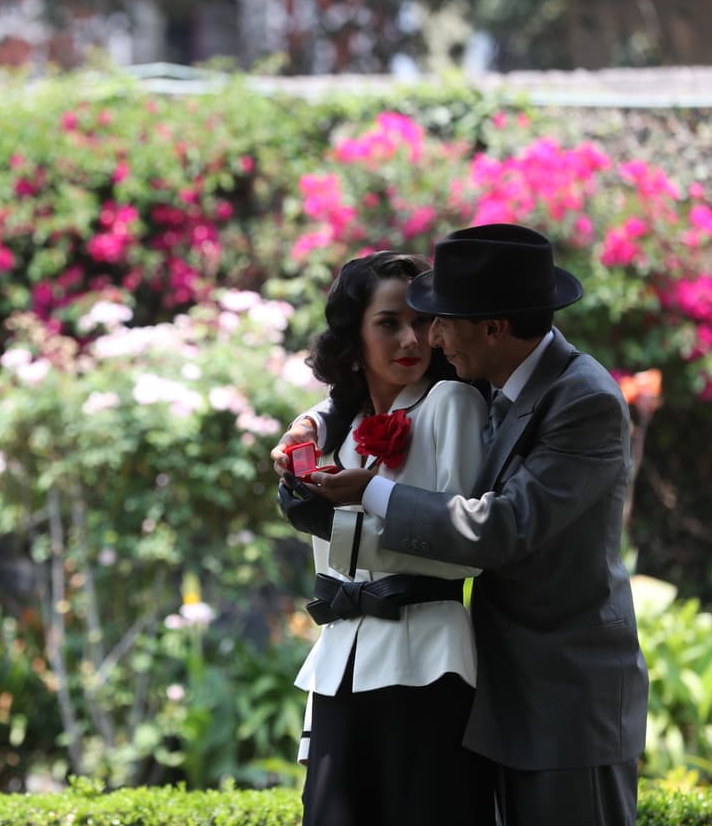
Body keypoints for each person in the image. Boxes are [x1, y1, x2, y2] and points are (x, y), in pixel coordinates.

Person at [279, 223, 649, 826]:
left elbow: (502, 528)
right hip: (492, 688)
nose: (432, 338)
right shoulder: (499, 371)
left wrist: (370, 490)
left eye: (440, 321)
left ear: (493, 327)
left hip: (563, 692)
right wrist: (312, 424)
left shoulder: (584, 398)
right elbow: (366, 383)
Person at [274, 250, 494, 826]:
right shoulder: (343, 429)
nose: (411, 339)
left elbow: (464, 552)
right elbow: (334, 405)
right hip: (340, 665)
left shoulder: (453, 404)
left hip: (428, 661)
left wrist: (334, 524)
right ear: (353, 338)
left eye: (421, 321)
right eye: (388, 323)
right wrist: (309, 440)